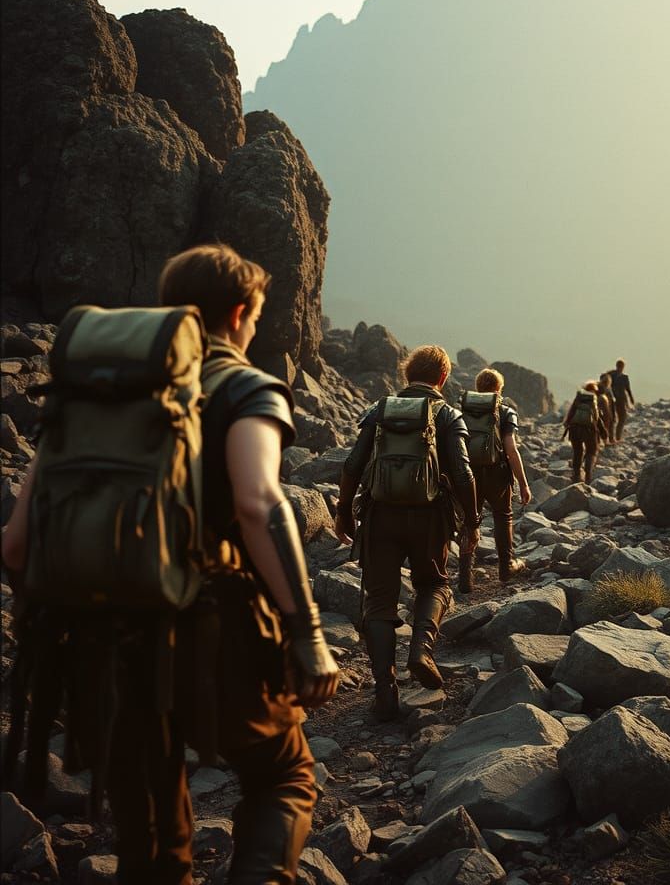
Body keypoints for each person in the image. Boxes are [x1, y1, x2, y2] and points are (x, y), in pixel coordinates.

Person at [2, 243, 346, 885]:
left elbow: (16, 546)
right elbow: (257, 501)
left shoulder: (88, 396)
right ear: (242, 312)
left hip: (103, 644)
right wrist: (309, 636)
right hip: (219, 633)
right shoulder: (245, 387)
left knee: (151, 841)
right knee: (283, 776)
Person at [334, 345, 479, 722]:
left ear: (406, 374)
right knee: (434, 584)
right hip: (429, 519)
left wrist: (343, 512)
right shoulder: (447, 414)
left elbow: (352, 464)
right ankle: (421, 650)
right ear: (443, 378)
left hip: (380, 518)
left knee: (378, 602)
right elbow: (463, 474)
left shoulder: (379, 411)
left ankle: (385, 693)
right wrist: (473, 523)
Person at [458, 368, 532, 593]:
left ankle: (464, 576)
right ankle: (506, 566)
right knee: (502, 516)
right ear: (499, 389)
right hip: (497, 474)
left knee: (470, 520)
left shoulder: (463, 410)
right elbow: (511, 450)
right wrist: (523, 483)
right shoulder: (505, 411)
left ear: (478, 388)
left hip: (468, 473)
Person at [563, 380, 602, 485]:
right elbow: (596, 417)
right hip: (589, 430)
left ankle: (576, 475)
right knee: (591, 451)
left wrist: (567, 424)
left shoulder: (578, 398)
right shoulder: (593, 399)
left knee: (577, 451)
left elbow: (571, 413)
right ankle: (588, 475)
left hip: (575, 429)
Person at [606, 358, 636, 442]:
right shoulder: (610, 375)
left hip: (621, 400)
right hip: (611, 400)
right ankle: (611, 438)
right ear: (617, 366)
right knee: (611, 419)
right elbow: (603, 383)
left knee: (622, 418)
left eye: (621, 366)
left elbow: (628, 389)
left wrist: (631, 399)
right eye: (619, 366)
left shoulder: (624, 377)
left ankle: (617, 437)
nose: (620, 368)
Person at [596, 373, 616, 446]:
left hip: (602, 410)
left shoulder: (606, 390)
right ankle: (602, 441)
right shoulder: (602, 390)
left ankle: (603, 440)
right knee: (603, 424)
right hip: (601, 411)